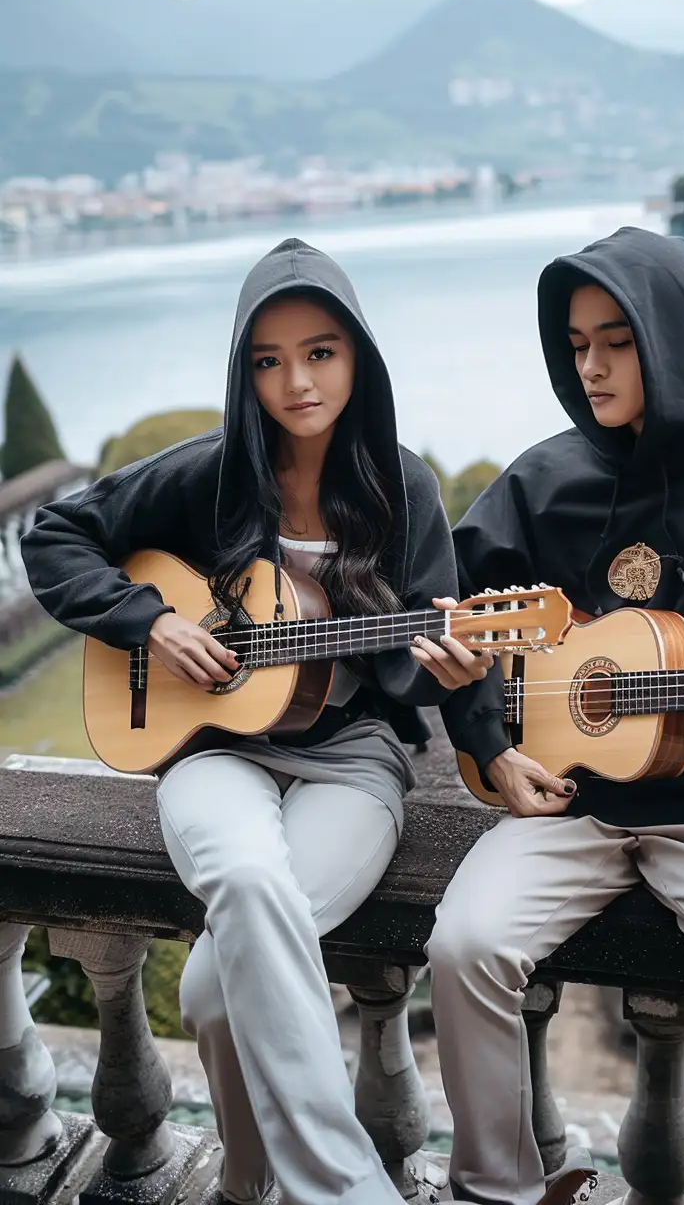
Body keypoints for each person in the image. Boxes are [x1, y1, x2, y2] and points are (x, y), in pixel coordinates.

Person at [21, 240, 493, 1205]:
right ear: (244, 371)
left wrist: (463, 678)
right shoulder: (210, 474)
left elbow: (435, 656)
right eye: (268, 360)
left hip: (352, 760)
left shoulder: (404, 490)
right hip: (211, 751)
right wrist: (149, 622)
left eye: (319, 352)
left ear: (358, 357)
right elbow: (54, 532)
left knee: (208, 993)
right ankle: (345, 1189)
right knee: (239, 874)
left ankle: (243, 1185)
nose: (297, 380)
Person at [427, 226, 684, 1205]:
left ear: (674, 336)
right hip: (565, 801)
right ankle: (496, 1189)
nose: (591, 364)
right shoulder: (540, 481)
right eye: (576, 343)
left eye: (616, 338)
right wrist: (491, 745)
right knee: (463, 944)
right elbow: (458, 628)